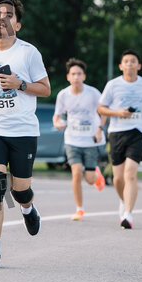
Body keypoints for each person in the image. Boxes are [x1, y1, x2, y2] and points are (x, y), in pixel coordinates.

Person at [0, 0, 50, 268]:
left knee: (20, 190)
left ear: (17, 24)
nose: (2, 18)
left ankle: (28, 208)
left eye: (8, 14)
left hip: (23, 130)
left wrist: (20, 84)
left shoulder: (29, 52)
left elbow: (46, 89)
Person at [98, 49, 142, 229]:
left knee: (130, 173)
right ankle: (123, 200)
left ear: (139, 66)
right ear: (121, 66)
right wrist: (118, 112)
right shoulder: (113, 85)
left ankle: (128, 213)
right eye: (126, 61)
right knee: (118, 179)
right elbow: (101, 108)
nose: (130, 64)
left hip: (138, 131)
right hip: (117, 132)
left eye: (133, 61)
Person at [52, 58, 106, 220]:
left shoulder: (93, 93)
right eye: (73, 74)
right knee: (76, 173)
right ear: (68, 77)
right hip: (72, 140)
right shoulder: (63, 95)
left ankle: (96, 175)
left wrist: (99, 129)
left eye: (79, 74)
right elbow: (57, 115)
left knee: (89, 179)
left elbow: (104, 112)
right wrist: (57, 123)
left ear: (84, 76)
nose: (76, 77)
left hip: (91, 140)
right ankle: (79, 209)